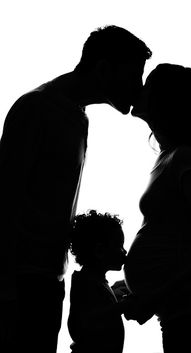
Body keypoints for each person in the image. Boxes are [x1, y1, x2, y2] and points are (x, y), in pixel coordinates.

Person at [0, 25, 151, 353]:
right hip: (19, 283)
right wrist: (7, 288)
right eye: (133, 76)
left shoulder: (79, 119)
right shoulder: (34, 109)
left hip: (49, 283)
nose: (138, 88)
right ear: (103, 68)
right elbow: (5, 198)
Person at [123, 63, 191, 353]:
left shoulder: (184, 157)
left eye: (148, 86)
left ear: (165, 101)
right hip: (182, 309)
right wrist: (138, 289)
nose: (139, 91)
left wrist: (156, 294)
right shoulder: (170, 156)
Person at [67, 209, 127, 353]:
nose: (124, 252)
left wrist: (114, 297)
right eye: (119, 246)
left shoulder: (98, 282)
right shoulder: (84, 282)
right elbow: (81, 325)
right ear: (100, 251)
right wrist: (122, 307)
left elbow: (97, 307)